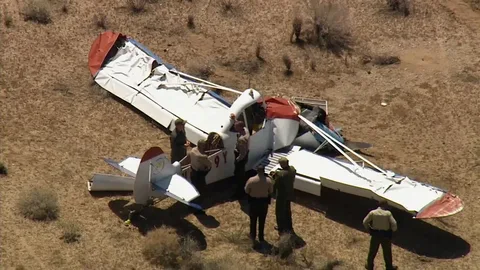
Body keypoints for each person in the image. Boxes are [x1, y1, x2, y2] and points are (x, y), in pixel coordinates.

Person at [363, 200, 398, 270]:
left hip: (375, 234)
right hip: (385, 235)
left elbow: (365, 222)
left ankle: (369, 266)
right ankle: (389, 267)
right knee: (387, 252)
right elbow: (394, 224)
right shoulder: (388, 213)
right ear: (385, 205)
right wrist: (392, 230)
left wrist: (369, 229)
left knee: (372, 252)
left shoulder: (373, 212)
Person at [245, 165, 273, 247]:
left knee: (253, 221)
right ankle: (261, 237)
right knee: (262, 221)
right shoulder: (268, 181)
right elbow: (271, 191)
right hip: (263, 203)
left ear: (257, 171)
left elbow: (246, 191)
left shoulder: (251, 180)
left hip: (253, 203)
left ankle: (252, 236)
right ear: (264, 171)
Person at [270, 157, 296, 236]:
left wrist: (273, 177)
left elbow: (275, 184)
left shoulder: (280, 174)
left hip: (282, 195)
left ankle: (281, 227)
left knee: (279, 211)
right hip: (289, 193)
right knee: (287, 211)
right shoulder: (292, 169)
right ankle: (289, 226)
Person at [230, 113, 250, 199]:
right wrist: (235, 119)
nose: (234, 128)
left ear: (239, 128)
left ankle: (239, 193)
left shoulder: (242, 139)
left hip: (241, 157)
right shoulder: (245, 129)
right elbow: (239, 124)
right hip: (244, 156)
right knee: (240, 174)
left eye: (235, 127)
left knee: (239, 175)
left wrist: (237, 160)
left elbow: (243, 153)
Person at [188, 139, 212, 212]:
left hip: (192, 172)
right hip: (199, 175)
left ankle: (190, 205)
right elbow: (210, 164)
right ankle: (197, 209)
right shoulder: (202, 156)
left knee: (193, 189)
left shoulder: (193, 150)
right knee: (200, 192)